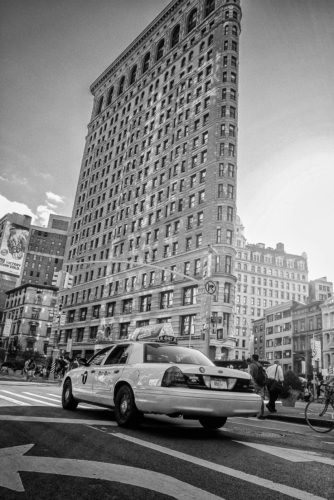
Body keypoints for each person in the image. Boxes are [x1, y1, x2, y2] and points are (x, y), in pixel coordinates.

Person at [249, 354, 266, 419]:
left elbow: (251, 375)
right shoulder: (260, 365)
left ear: (253, 358)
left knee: (253, 398)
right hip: (261, 384)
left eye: (251, 358)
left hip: (255, 384)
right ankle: (261, 414)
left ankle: (253, 413)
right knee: (261, 399)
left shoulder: (252, 365)